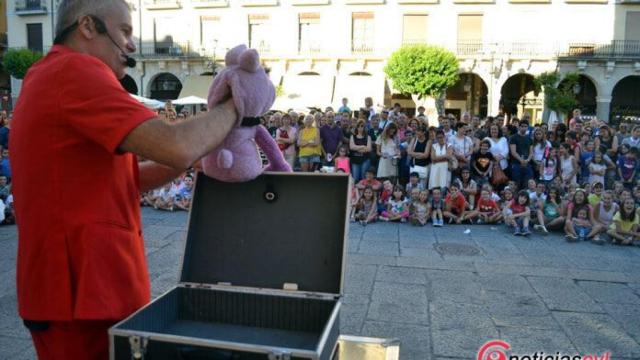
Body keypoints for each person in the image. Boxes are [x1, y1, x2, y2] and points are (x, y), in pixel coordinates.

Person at [11, 1, 240, 358]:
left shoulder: (54, 74)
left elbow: (130, 180)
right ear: (88, 26)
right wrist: (235, 106)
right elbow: (175, 145)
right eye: (125, 32)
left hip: (85, 292)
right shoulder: (74, 71)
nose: (131, 45)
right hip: (80, 297)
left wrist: (194, 156)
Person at [509, 121, 534, 190]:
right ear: (519, 127)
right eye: (522, 126)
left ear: (527, 128)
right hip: (516, 164)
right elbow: (513, 152)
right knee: (516, 185)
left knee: (527, 184)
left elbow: (531, 152)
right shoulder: (513, 137)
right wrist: (521, 160)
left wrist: (527, 160)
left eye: (525, 126)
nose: (523, 128)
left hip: (527, 164)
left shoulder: (529, 139)